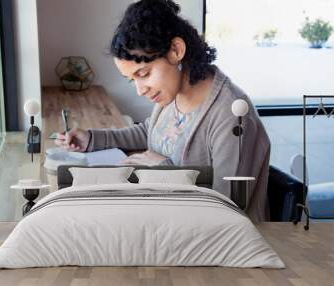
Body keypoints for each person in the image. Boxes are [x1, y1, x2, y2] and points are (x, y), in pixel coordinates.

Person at [54, 0, 270, 222]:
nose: (140, 90)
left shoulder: (231, 115)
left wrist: (162, 170)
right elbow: (152, 131)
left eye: (144, 74)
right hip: (165, 217)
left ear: (176, 50)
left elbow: (225, 207)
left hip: (215, 242)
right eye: (132, 80)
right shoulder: (173, 94)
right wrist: (92, 138)